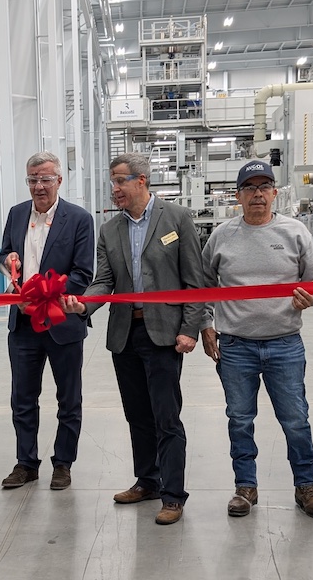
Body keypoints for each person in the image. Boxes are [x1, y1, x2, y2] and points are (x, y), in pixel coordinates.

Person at [63, 153, 204, 525]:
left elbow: (194, 280)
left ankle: (173, 495)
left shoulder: (177, 219)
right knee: (137, 416)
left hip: (163, 335)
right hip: (126, 334)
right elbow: (103, 281)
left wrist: (190, 329)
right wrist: (83, 305)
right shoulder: (110, 229)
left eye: (120, 181)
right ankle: (148, 481)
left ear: (142, 181)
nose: (115, 188)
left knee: (166, 417)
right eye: (112, 182)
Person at [201, 160, 313, 520]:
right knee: (240, 419)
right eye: (249, 188)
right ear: (238, 196)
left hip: (285, 344)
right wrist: (206, 323)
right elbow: (203, 285)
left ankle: (306, 486)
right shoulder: (222, 235)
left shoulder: (295, 232)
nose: (257, 194)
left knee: (295, 420)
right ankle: (245, 487)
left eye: (264, 187)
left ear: (274, 193)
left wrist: (311, 297)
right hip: (237, 345)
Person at [0, 151, 94, 491]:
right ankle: (26, 463)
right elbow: (4, 255)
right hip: (23, 325)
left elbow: (83, 272)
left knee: (69, 399)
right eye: (33, 180)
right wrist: (7, 263)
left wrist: (44, 295)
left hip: (62, 323)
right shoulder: (16, 214)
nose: (39, 186)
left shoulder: (79, 219)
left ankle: (63, 463)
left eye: (46, 179)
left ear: (59, 181)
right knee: (22, 398)